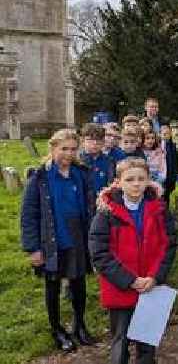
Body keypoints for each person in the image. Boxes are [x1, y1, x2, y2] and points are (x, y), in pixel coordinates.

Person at [88, 157, 177, 364]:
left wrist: (154, 277)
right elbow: (100, 252)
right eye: (129, 179)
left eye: (141, 179)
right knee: (121, 340)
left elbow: (168, 245)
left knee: (147, 340)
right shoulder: (106, 212)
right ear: (118, 182)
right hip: (120, 287)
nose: (136, 184)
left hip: (150, 285)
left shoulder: (159, 209)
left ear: (148, 181)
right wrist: (129, 280)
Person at [20, 129, 96, 352]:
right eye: (64, 149)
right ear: (53, 148)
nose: (69, 154)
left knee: (79, 283)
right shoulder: (39, 177)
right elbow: (29, 215)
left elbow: (90, 205)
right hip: (52, 239)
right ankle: (56, 329)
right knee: (52, 286)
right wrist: (33, 248)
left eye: (73, 149)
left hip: (77, 236)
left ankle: (79, 324)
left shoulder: (81, 173)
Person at [80, 123, 115, 194]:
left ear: (103, 141)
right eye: (90, 139)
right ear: (83, 141)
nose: (95, 143)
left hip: (103, 201)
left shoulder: (109, 161)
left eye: (98, 139)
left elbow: (111, 183)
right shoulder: (78, 161)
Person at [160, 122, 178, 209]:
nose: (166, 136)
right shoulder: (158, 146)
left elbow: (176, 160)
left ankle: (166, 210)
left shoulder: (172, 145)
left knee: (167, 194)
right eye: (164, 134)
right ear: (160, 134)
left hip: (171, 174)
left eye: (167, 134)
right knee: (161, 194)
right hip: (161, 175)